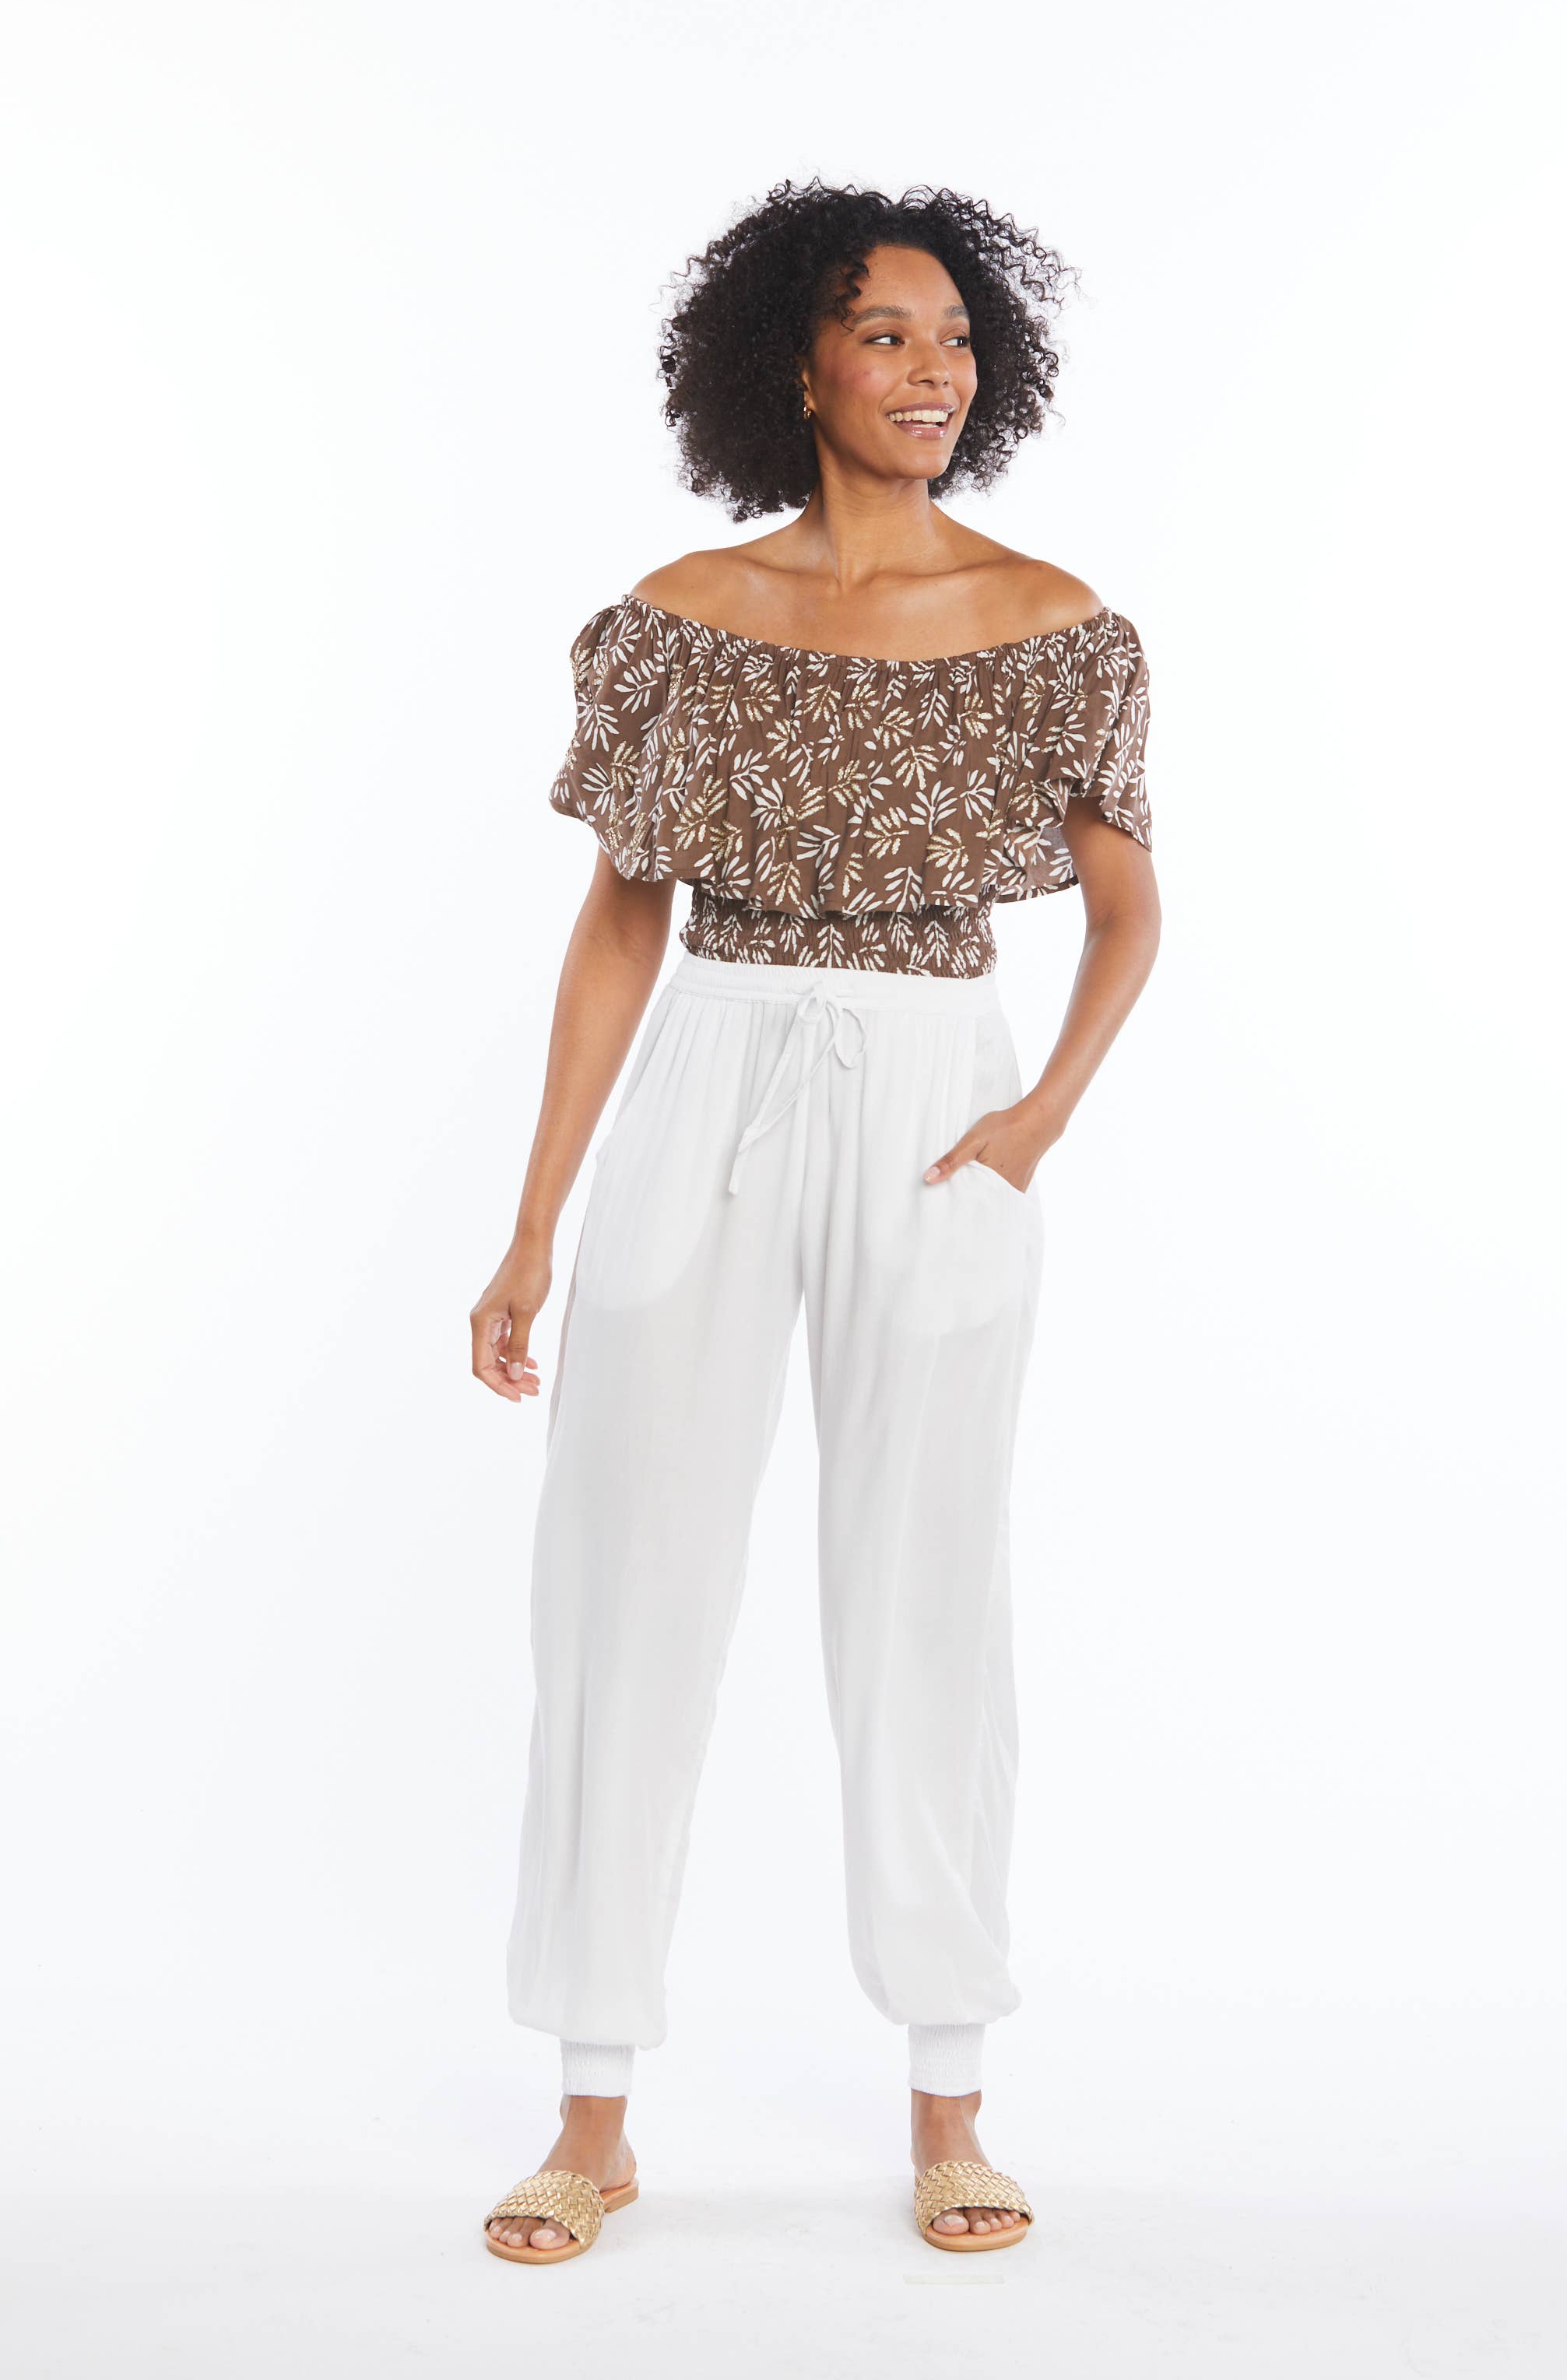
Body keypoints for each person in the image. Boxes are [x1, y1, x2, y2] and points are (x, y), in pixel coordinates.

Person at [473, 179, 1160, 2263]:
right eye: (885, 332)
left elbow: (1127, 911)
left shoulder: (1054, 624)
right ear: (794, 367)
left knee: (923, 1581)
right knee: (623, 1574)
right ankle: (591, 2114)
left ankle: (949, 2095)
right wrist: (534, 1225)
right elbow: (618, 924)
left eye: (954, 337)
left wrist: (1031, 1121)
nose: (931, 368)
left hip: (940, 1088)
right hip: (710, 1068)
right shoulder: (681, 617)